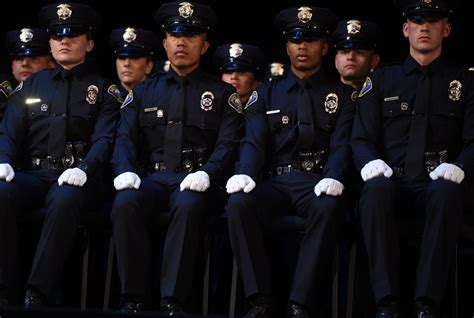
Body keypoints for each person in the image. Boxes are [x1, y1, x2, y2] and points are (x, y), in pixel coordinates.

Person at [110, 1, 242, 315]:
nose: (181, 42)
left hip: (197, 181)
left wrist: (208, 173)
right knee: (126, 202)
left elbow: (229, 144)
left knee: (187, 204)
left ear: (205, 45)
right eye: (175, 34)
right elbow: (125, 138)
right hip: (154, 178)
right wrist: (126, 170)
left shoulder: (223, 94)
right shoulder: (143, 92)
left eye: (191, 35)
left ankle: (173, 300)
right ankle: (133, 299)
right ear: (165, 42)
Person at [225, 5, 355, 318]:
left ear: (324, 47)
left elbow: (342, 144)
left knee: (328, 207)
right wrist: (245, 174)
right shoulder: (266, 94)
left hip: (318, 182)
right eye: (296, 40)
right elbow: (254, 142)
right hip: (277, 182)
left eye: (310, 40)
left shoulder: (343, 94)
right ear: (287, 46)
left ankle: (301, 303)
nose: (302, 46)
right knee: (239, 203)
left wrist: (335, 175)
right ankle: (260, 301)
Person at [351, 0, 474, 317]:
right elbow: (361, 137)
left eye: (433, 20)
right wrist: (370, 163)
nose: (425, 27)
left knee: (448, 194)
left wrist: (460, 166)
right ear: (406, 29)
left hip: (439, 179)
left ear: (445, 29)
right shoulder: (381, 80)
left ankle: (426, 303)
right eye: (418, 20)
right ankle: (387, 303)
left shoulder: (465, 81)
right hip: (394, 178)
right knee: (375, 191)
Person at [0, 2, 121, 308]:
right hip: (36, 173)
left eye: (74, 34)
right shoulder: (30, 86)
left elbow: (105, 140)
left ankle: (36, 292)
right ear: (51, 43)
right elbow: (9, 132)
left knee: (64, 197)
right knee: (2, 191)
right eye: (57, 35)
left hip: (78, 176)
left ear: (89, 43)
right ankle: (3, 289)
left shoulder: (104, 89)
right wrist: (3, 159)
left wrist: (86, 168)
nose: (65, 40)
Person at [331, 19, 381, 98]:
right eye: (345, 52)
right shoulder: (321, 98)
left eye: (359, 52)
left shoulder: (383, 97)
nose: (351, 57)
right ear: (336, 60)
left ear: (374, 61)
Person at [109, 27, 159, 98]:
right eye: (122, 58)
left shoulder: (160, 98)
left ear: (148, 67)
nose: (126, 64)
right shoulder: (106, 99)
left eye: (134, 58)